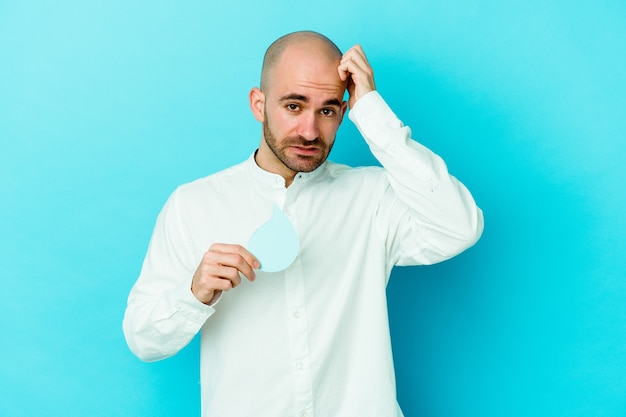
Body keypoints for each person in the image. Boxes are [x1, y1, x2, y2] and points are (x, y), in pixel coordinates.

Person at [123, 31, 484, 417]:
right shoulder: (193, 205)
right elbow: (144, 340)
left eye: (327, 110)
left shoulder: (373, 197)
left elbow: (460, 226)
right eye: (294, 106)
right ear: (258, 105)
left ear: (345, 113)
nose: (310, 131)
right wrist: (194, 293)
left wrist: (373, 112)